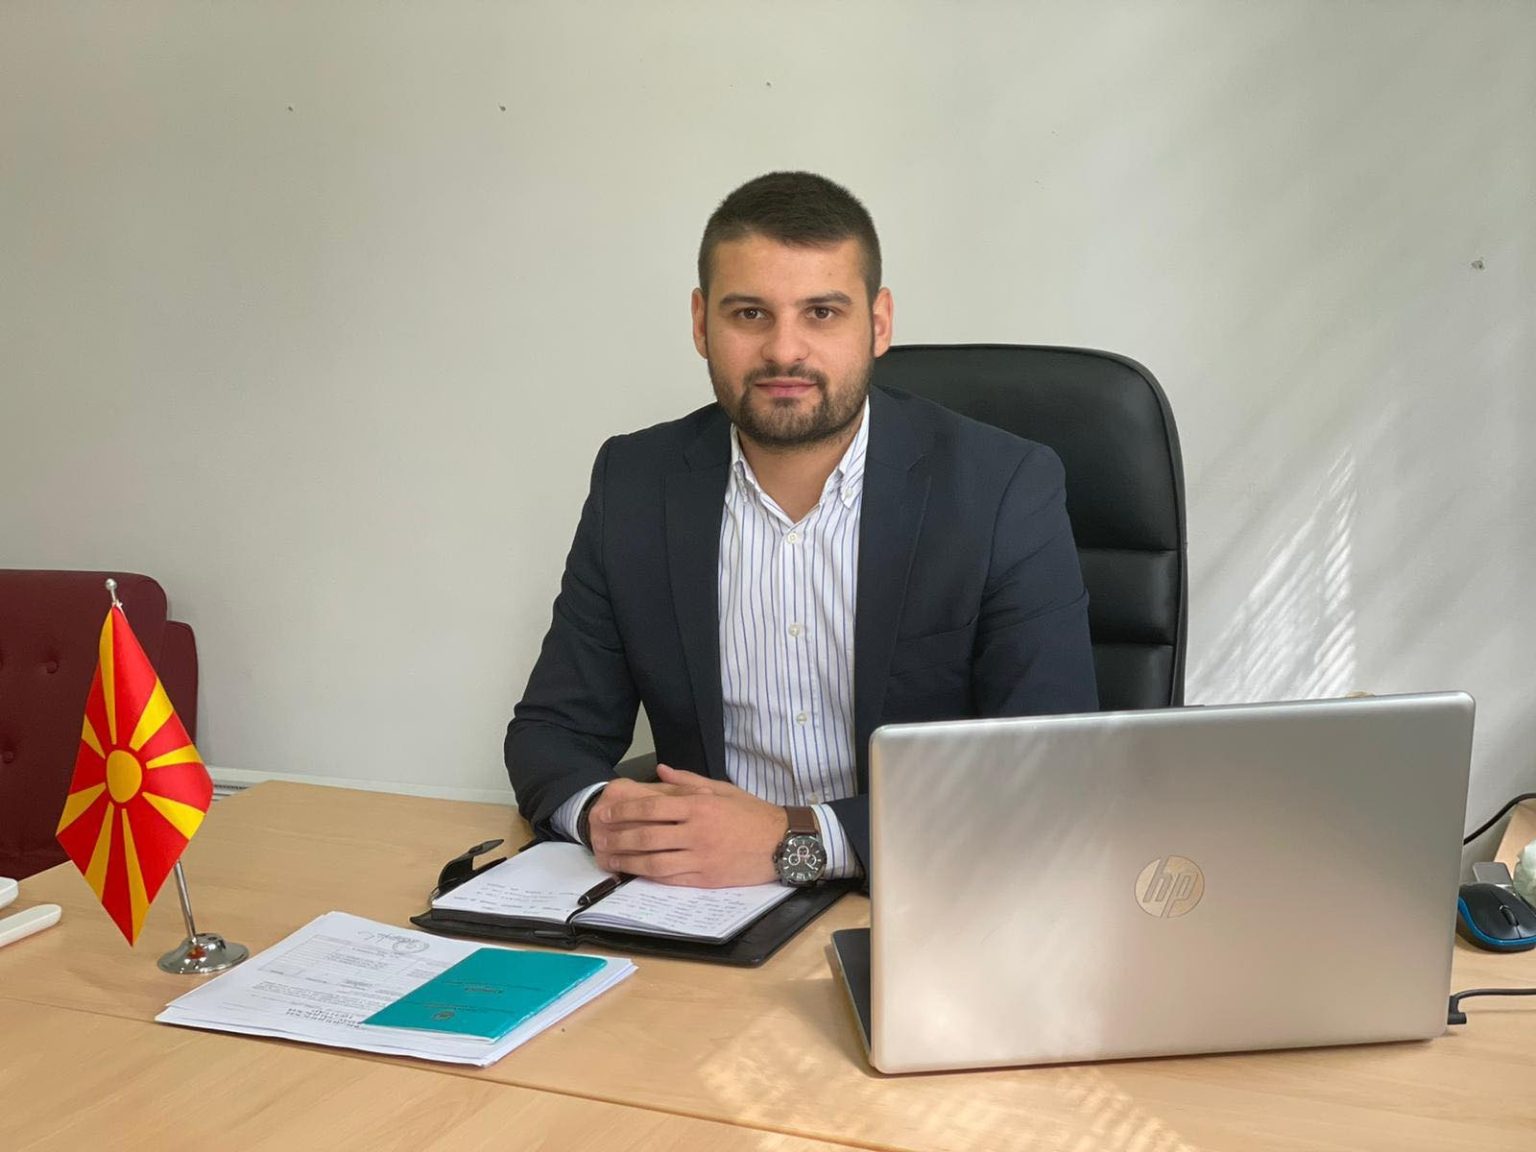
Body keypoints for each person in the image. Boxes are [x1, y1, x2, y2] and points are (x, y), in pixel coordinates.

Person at [506, 171, 1096, 888]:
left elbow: (1046, 772)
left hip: (928, 896)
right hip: (697, 904)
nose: (785, 351)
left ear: (879, 323)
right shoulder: (635, 482)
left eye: (821, 312)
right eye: (750, 313)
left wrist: (796, 841)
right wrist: (607, 816)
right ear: (701, 323)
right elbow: (551, 733)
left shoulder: (1003, 488)